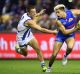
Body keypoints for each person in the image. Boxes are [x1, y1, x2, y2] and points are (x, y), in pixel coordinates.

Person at [15, 6, 57, 72]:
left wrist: (39, 13)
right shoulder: (28, 21)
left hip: (29, 36)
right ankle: (17, 49)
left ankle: (44, 67)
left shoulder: (25, 14)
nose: (35, 13)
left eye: (35, 11)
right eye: (33, 12)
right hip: (21, 39)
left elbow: (35, 16)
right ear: (28, 12)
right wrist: (53, 32)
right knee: (25, 54)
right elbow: (41, 29)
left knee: (38, 49)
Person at [46, 4, 80, 72]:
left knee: (70, 48)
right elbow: (64, 32)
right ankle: (49, 68)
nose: (57, 14)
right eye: (56, 13)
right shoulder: (58, 21)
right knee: (54, 54)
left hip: (70, 36)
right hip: (61, 36)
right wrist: (76, 28)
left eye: (58, 12)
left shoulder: (71, 12)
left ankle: (65, 56)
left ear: (63, 10)